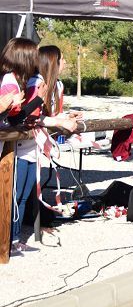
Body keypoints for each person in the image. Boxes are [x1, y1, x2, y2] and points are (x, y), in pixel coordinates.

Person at [0, 39, 77, 255]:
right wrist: (38, 101)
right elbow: (19, 119)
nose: (36, 59)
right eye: (32, 55)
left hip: (25, 144)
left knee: (23, 194)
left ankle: (14, 239)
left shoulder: (21, 81)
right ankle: (8, 239)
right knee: (14, 195)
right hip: (18, 145)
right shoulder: (14, 82)